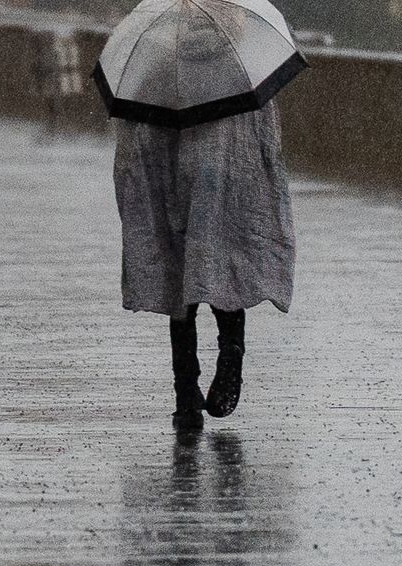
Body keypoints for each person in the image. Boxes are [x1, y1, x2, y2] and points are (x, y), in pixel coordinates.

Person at [112, 31, 295, 433]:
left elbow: (137, 141)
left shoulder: (157, 68)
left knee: (181, 286)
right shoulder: (245, 70)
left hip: (177, 189)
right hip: (227, 187)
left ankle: (185, 392)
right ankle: (230, 365)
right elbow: (265, 140)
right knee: (225, 271)